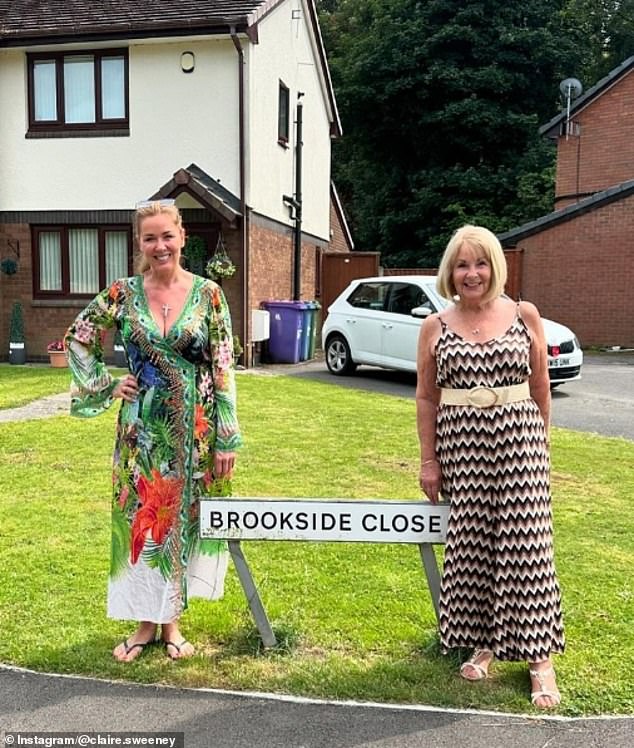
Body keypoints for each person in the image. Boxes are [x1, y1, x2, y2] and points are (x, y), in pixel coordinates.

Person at [64, 200, 241, 663]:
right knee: (143, 519)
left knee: (182, 518)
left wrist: (227, 436)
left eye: (167, 236)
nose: (160, 246)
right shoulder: (122, 294)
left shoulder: (210, 295)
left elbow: (223, 368)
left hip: (196, 432)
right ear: (139, 243)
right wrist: (105, 384)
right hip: (142, 432)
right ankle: (145, 623)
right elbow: (79, 336)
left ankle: (173, 623)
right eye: (150, 238)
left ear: (182, 237)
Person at [416, 224, 564, 709]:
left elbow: (541, 384)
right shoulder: (434, 326)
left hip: (519, 444)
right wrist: (429, 460)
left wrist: (541, 443)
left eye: (480, 264)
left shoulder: (524, 315)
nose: (471, 273)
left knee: (526, 551)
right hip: (462, 447)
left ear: (494, 267)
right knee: (474, 547)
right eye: (462, 264)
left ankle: (540, 659)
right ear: (450, 272)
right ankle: (485, 643)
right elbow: (426, 396)